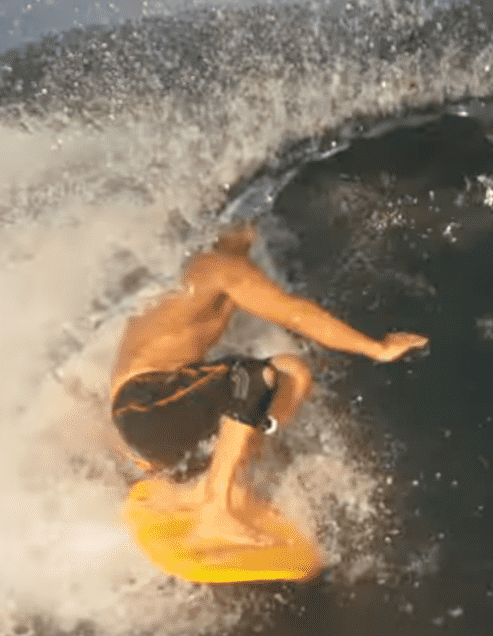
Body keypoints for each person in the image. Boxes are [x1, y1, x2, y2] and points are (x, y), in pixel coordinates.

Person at [110, 224, 429, 546]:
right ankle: (215, 510)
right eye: (247, 226)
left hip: (165, 422)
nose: (253, 233)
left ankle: (223, 489)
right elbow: (294, 314)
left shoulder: (216, 275)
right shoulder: (213, 268)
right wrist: (377, 349)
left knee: (293, 373)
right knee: (249, 377)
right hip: (145, 411)